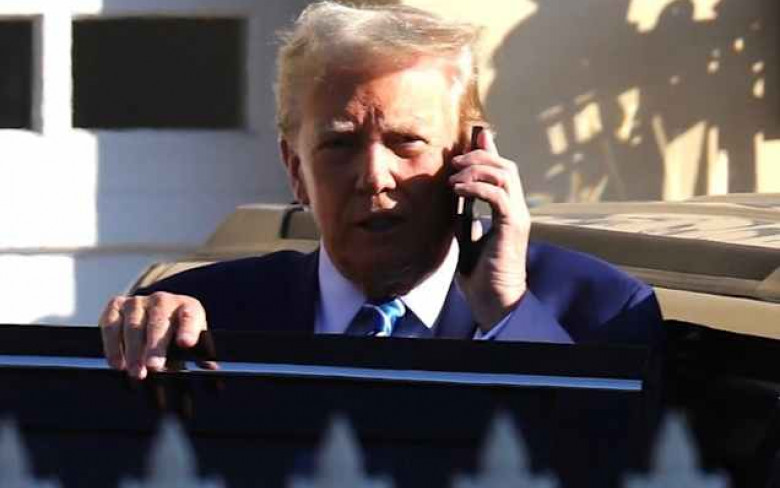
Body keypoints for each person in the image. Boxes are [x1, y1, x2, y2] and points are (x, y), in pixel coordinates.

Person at [100, 1, 665, 380]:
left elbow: (600, 473)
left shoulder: (601, 314)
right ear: (295, 169)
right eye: (339, 145)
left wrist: (506, 314)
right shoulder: (207, 318)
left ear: (471, 154)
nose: (374, 176)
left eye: (406, 141)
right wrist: (143, 343)